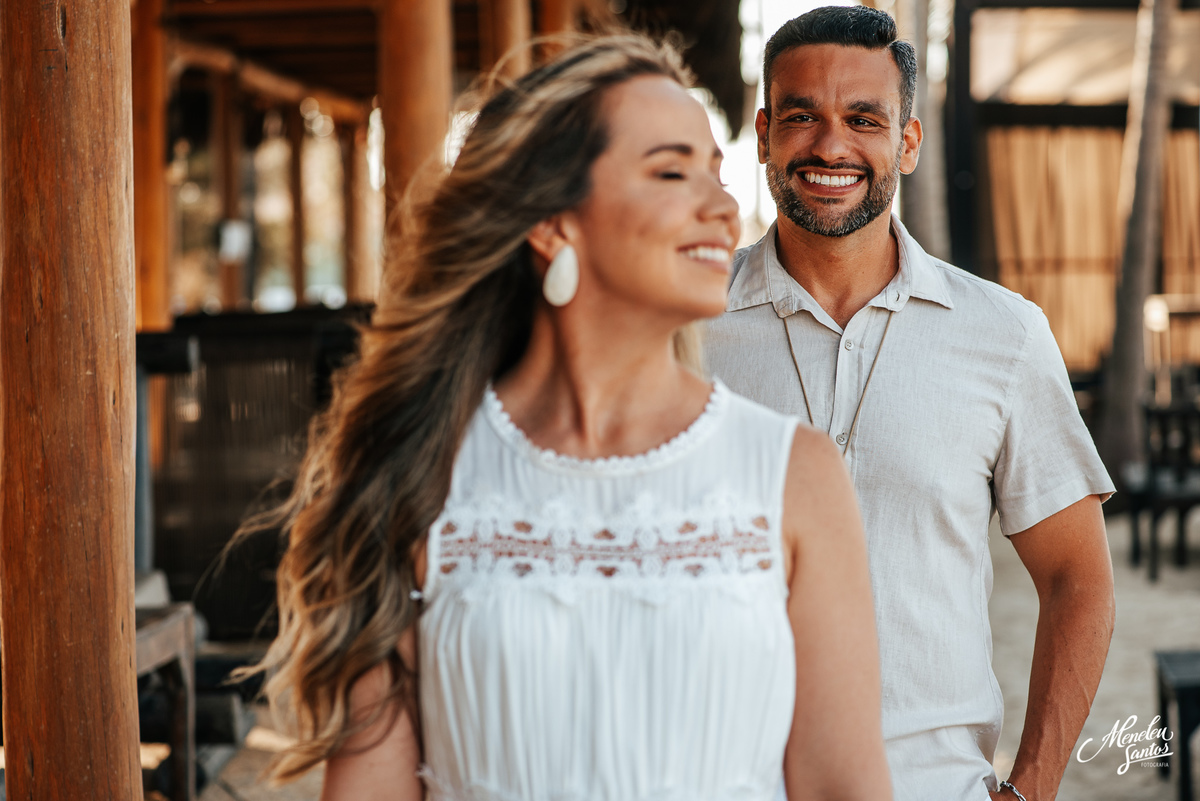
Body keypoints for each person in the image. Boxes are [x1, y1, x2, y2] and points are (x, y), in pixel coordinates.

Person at [246, 35, 892, 801]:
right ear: (553, 221)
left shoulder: (796, 475)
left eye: (717, 175)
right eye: (671, 172)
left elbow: (843, 787)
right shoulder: (419, 470)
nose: (724, 209)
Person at [706, 8, 1117, 801]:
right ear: (762, 135)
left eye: (864, 119)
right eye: (801, 116)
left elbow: (1078, 579)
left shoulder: (1004, 335)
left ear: (908, 142)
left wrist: (1031, 786)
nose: (831, 146)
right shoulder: (684, 329)